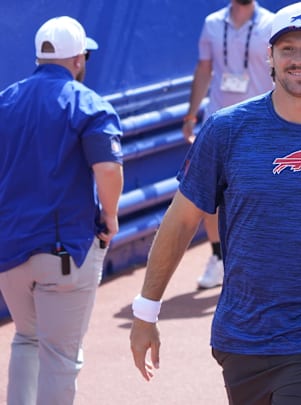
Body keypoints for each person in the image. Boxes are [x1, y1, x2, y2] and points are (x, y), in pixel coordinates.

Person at [130, 2, 301, 404]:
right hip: (244, 337)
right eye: (287, 49)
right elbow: (180, 221)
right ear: (271, 58)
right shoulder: (225, 131)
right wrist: (146, 312)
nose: (298, 59)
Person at [0, 16, 123, 405]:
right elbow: (107, 167)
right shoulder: (86, 102)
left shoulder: (5, 100)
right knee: (60, 358)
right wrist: (111, 215)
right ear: (78, 58)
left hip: (9, 251)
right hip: (63, 250)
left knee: (26, 338)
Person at [182, 0, 275, 289]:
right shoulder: (212, 23)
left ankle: (260, 257)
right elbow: (204, 68)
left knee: (261, 193)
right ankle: (219, 257)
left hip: (261, 123)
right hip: (218, 122)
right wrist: (190, 113)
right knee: (211, 194)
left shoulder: (272, 24)